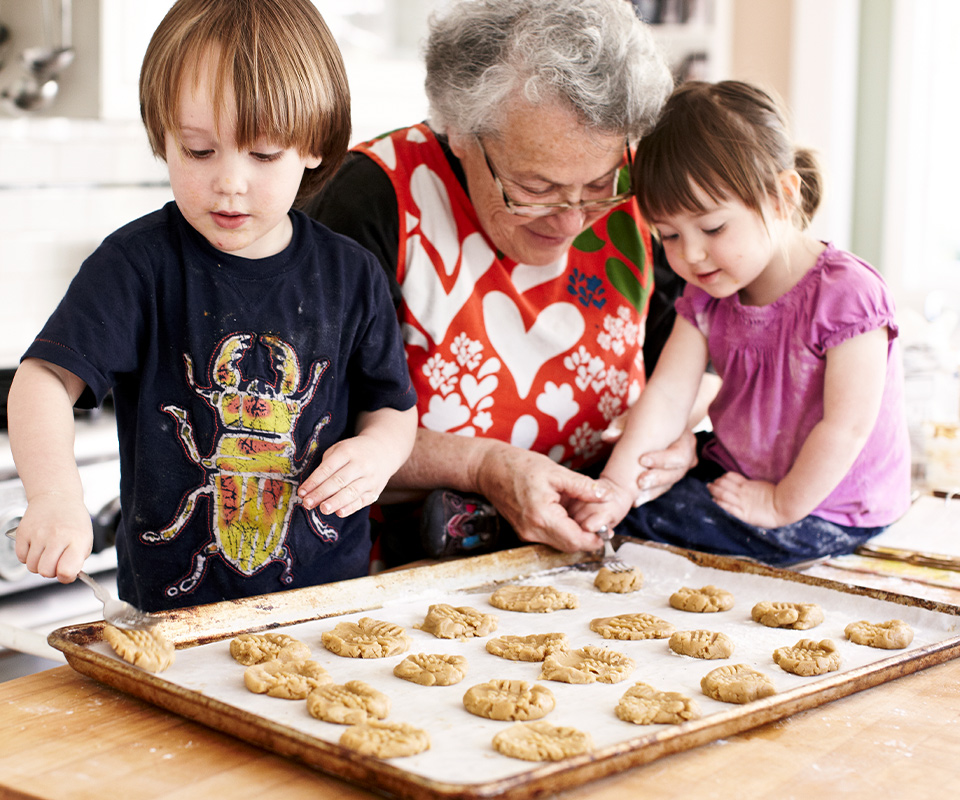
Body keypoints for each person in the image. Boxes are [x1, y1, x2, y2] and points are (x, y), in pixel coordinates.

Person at [6, 0, 418, 612]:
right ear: (162, 138)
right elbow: (41, 380)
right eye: (198, 151)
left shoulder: (351, 273)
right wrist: (53, 495)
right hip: (169, 617)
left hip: (326, 608)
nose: (230, 181)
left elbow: (392, 407)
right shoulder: (137, 266)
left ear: (312, 146)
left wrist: (380, 451)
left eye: (263, 154)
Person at [304, 0, 712, 567]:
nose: (571, 220)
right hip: (406, 569)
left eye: (597, 183)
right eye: (535, 187)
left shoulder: (645, 190)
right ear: (462, 132)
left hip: (605, 553)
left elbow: (704, 362)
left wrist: (678, 441)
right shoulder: (373, 200)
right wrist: (483, 467)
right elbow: (312, 426)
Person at [572, 80, 912, 566]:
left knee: (651, 523)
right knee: (618, 482)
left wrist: (779, 503)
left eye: (712, 228)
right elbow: (669, 394)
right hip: (745, 468)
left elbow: (847, 428)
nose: (690, 254)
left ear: (781, 196)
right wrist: (618, 485)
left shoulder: (847, 294)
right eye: (668, 236)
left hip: (829, 504)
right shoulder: (709, 294)